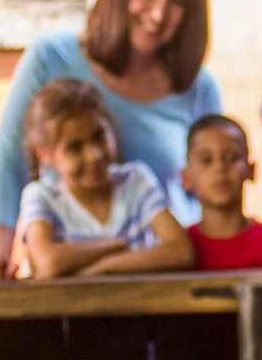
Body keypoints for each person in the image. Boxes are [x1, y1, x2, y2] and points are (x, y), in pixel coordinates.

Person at [0, 0, 222, 280]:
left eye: (175, 2)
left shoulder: (198, 86)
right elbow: (11, 165)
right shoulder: (51, 58)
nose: (159, 14)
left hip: (165, 277)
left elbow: (210, 189)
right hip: (70, 278)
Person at [19, 77, 194, 277]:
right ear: (44, 154)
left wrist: (105, 267)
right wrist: (114, 245)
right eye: (74, 147)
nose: (94, 155)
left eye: (98, 136)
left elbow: (181, 252)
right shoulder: (42, 196)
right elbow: (48, 262)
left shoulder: (135, 181)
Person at [181, 113, 262, 270]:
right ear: (186, 177)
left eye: (231, 157)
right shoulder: (179, 252)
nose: (219, 168)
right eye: (206, 160)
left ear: (251, 170)